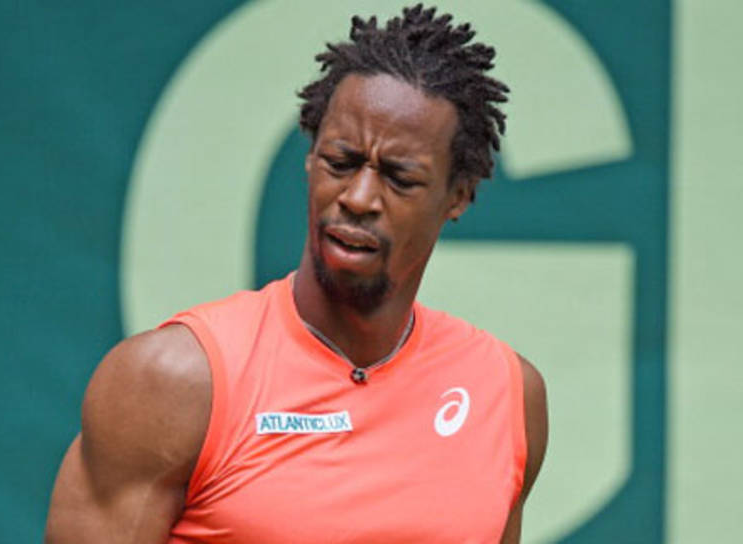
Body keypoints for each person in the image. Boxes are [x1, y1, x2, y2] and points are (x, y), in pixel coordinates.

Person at [45, 4, 547, 543]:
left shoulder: (506, 395)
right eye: (341, 162)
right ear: (310, 159)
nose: (358, 198)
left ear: (458, 196)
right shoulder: (174, 381)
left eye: (399, 178)